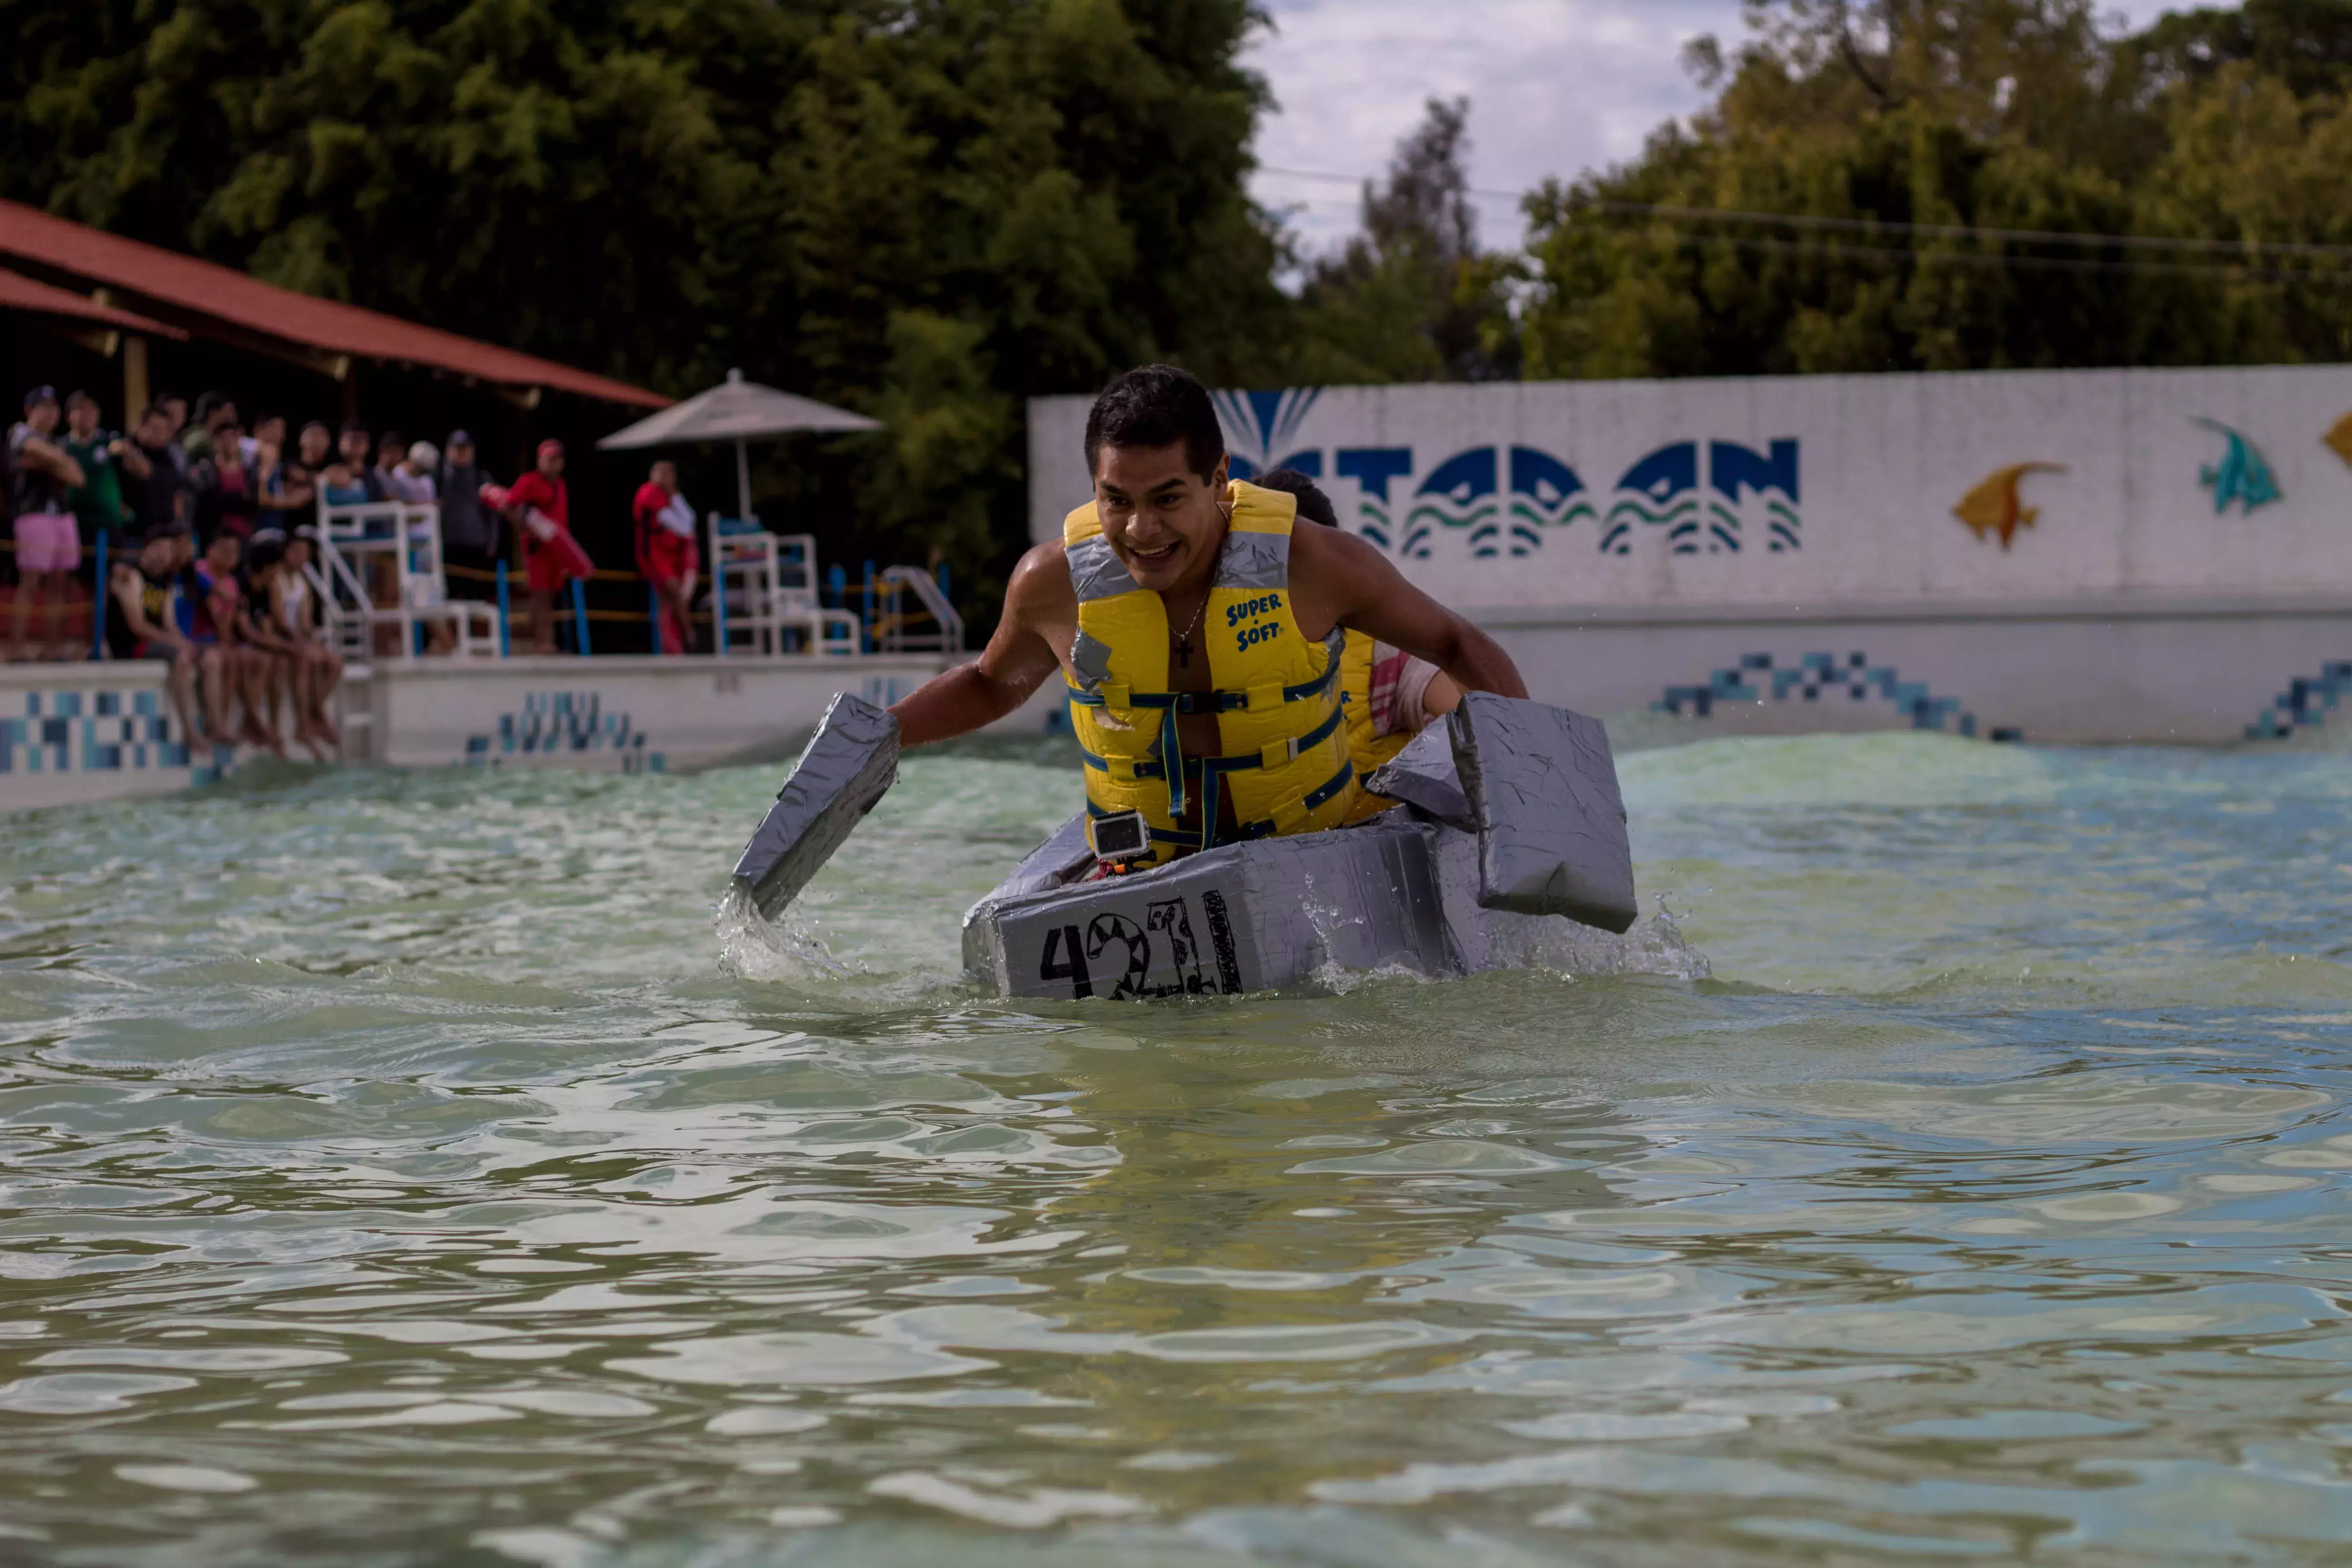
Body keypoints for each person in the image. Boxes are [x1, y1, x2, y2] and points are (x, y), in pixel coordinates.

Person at [884, 364, 1525, 872]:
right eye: (1117, 501)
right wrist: (877, 739)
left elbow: (1453, 641)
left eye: (1167, 499)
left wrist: (1535, 798)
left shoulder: (1316, 564)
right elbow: (991, 684)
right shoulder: (1051, 584)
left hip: (1309, 861)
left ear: (1219, 479)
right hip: (1138, 872)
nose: (1141, 530)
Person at [1252, 467, 1459, 778]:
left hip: (1364, 826)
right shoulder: (1203, 657)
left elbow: (1473, 729)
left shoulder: (1386, 657)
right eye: (1258, 559)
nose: (1276, 578)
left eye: (1291, 559)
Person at [105, 521, 210, 745]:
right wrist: (177, 644)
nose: (163, 555)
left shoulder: (167, 581)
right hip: (129, 644)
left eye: (169, 551)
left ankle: (214, 724)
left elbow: (170, 623)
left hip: (153, 641)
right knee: (181, 659)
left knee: (214, 658)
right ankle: (189, 731)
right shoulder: (132, 576)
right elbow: (137, 625)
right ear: (147, 548)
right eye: (158, 548)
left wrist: (182, 642)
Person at [9, 386, 86, 662]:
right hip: (33, 513)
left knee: (60, 582)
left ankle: (53, 648)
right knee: (30, 581)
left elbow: (78, 478)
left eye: (54, 408)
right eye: (44, 407)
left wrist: (51, 461)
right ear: (30, 411)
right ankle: (16, 647)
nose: (51, 414)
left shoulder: (58, 442)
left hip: (62, 515)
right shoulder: (19, 432)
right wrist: (57, 462)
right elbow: (35, 451)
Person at [501, 439, 592, 655]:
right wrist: (524, 528)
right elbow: (508, 506)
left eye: (558, 459)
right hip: (537, 548)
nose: (555, 464)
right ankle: (543, 642)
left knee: (551, 595)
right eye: (550, 459)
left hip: (556, 548)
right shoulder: (529, 481)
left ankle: (541, 638)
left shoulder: (561, 485)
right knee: (540, 594)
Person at [273, 530, 343, 758]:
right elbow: (281, 621)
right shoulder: (277, 579)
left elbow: (305, 621)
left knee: (334, 662)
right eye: (300, 552)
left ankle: (315, 712)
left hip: (297, 638)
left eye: (308, 554)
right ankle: (306, 722)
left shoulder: (303, 584)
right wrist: (303, 643)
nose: (305, 558)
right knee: (306, 659)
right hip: (282, 637)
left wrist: (313, 640)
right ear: (287, 553)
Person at [632, 458, 698, 655]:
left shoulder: (669, 495)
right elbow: (682, 527)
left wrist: (675, 496)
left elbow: (690, 520)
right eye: (665, 474)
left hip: (670, 555)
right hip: (653, 555)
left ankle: (672, 646)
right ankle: (689, 634)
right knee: (675, 592)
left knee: (668, 601)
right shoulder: (650, 494)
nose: (669, 479)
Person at [436, 430, 500, 602]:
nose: (462, 453)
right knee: (448, 596)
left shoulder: (482, 477)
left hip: (475, 547)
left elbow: (492, 515)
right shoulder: (438, 478)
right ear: (449, 450)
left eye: (465, 448)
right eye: (457, 449)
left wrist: (492, 542)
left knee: (474, 596)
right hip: (447, 546)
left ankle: (470, 629)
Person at [128, 403, 190, 538]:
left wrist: (181, 529)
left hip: (164, 536)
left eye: (165, 430)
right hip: (133, 535)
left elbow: (177, 494)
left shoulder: (167, 456)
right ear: (142, 427)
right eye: (156, 428)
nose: (161, 435)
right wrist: (130, 452)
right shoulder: (128, 449)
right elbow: (145, 471)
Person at [192, 421, 257, 542]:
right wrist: (240, 498)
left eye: (233, 437)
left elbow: (253, 504)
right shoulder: (206, 471)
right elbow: (208, 503)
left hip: (244, 538)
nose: (228, 442)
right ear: (215, 442)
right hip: (214, 538)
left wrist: (225, 498)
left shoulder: (249, 472)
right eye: (223, 438)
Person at [183, 392, 238, 463]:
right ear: (213, 413)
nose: (232, 416)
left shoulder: (206, 435)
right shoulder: (199, 439)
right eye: (227, 411)